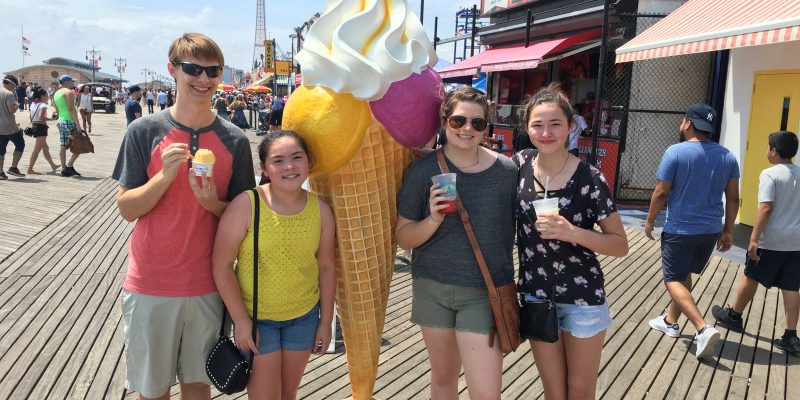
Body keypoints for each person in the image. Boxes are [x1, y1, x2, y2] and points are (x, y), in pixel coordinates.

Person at [111, 32, 256, 400]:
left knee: (197, 385)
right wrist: (163, 177)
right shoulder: (144, 131)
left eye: (213, 71)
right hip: (151, 282)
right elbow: (127, 209)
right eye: (193, 69)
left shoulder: (235, 139)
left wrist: (212, 205)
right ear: (172, 70)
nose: (204, 79)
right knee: (152, 389)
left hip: (208, 283)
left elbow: (244, 217)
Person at [395, 87, 517, 399]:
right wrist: (434, 218)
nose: (467, 129)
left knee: (486, 393)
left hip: (484, 291)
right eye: (458, 121)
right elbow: (403, 235)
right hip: (431, 288)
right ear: (444, 121)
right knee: (444, 379)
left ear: (486, 129)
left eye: (477, 124)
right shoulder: (423, 171)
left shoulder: (506, 172)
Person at [515, 83, 628, 400]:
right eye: (538, 124)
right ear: (527, 128)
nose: (546, 132)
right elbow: (474, 162)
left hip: (583, 297)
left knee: (579, 391)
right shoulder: (520, 165)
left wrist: (572, 232)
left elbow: (620, 244)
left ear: (570, 127)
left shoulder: (590, 178)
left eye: (555, 124)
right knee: (553, 391)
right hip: (536, 294)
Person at [212, 130, 336, 398]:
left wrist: (325, 322)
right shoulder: (247, 205)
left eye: (296, 157)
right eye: (278, 160)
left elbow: (326, 268)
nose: (289, 166)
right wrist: (241, 321)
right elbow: (221, 265)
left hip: (303, 317)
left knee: (287, 394)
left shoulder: (321, 210)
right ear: (265, 168)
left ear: (308, 162)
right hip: (258, 320)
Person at [645, 103, 739, 359]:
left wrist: (650, 220)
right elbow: (733, 199)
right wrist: (728, 230)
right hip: (710, 230)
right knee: (684, 274)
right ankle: (670, 321)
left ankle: (701, 328)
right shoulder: (728, 156)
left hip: (680, 229)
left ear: (687, 123)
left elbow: (661, 191)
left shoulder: (675, 152)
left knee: (673, 279)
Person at [713, 131, 800, 354]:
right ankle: (791, 336)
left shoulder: (770, 175)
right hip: (795, 241)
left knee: (751, 274)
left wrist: (753, 239)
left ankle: (734, 315)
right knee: (791, 285)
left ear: (773, 150)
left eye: (768, 147)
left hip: (771, 240)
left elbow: (765, 208)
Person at [53, 75, 84, 177]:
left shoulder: (56, 93)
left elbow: (57, 110)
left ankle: (63, 169)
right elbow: (71, 109)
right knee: (80, 145)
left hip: (61, 121)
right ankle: (69, 166)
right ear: (66, 82)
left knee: (63, 145)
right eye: (72, 81)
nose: (73, 83)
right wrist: (78, 125)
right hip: (69, 121)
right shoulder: (69, 92)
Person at [26, 88, 60, 174]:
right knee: (36, 150)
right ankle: (30, 169)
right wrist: (52, 119)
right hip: (41, 128)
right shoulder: (42, 105)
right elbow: (41, 117)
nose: (48, 95)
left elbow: (31, 117)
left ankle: (53, 165)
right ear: (42, 96)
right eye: (46, 94)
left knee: (45, 147)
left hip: (35, 126)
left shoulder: (33, 104)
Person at [0, 75, 25, 179]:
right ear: (11, 83)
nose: (14, 88)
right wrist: (17, 105)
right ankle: (13, 168)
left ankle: (0, 172)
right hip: (9, 125)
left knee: (1, 149)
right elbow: (11, 110)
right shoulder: (8, 93)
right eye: (14, 86)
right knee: (20, 144)